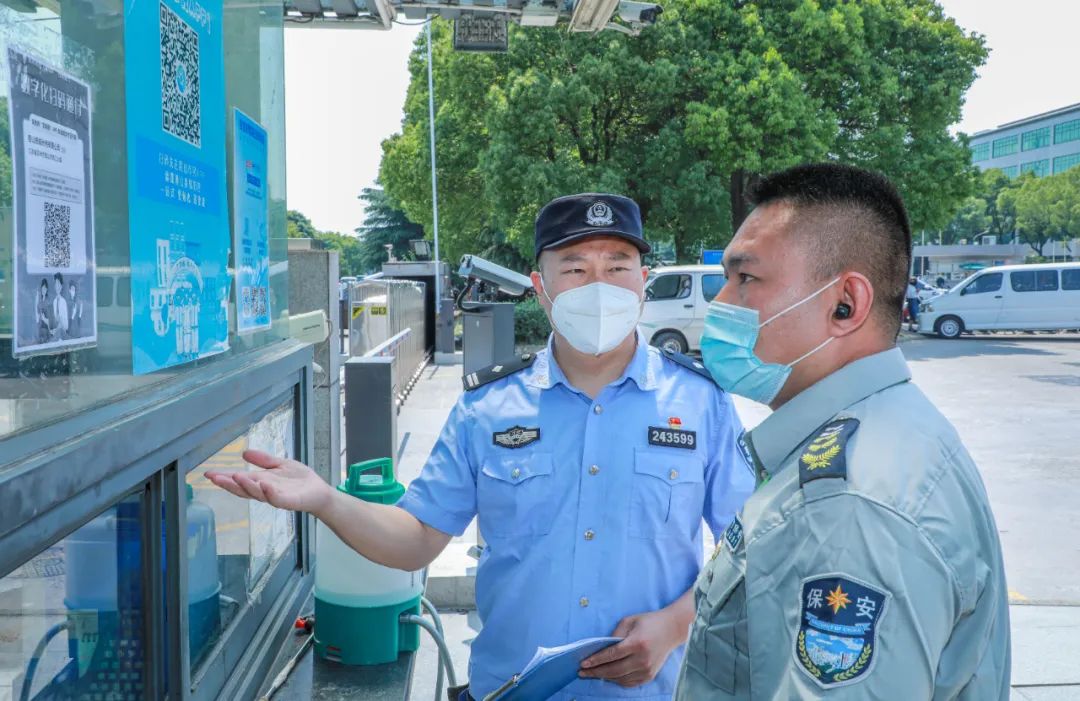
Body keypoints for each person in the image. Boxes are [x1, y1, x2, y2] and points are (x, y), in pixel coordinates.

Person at [208, 193, 755, 701]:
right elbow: (417, 538)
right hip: (511, 690)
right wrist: (326, 500)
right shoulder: (487, 408)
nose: (598, 286)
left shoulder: (702, 402)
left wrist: (676, 624)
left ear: (643, 281)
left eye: (617, 267)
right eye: (574, 269)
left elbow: (750, 547)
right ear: (540, 287)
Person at [675, 164, 1010, 699]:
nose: (719, 304)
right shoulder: (880, 431)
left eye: (746, 279)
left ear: (845, 304)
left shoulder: (853, 507)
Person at [50, 272, 68, 341]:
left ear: (61, 286)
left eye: (58, 284)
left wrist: (58, 328)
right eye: (55, 284)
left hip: (62, 335)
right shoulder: (54, 301)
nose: (57, 287)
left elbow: (66, 325)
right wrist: (53, 330)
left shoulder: (63, 302)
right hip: (56, 334)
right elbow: (54, 320)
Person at [36, 278, 50, 344]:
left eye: (44, 288)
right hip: (39, 327)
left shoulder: (48, 302)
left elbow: (51, 321)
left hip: (46, 329)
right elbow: (38, 314)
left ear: (47, 289)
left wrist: (44, 319)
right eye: (42, 288)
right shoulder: (39, 301)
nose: (43, 290)